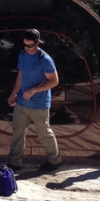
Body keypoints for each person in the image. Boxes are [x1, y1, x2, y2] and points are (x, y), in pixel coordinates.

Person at [6, 29, 62, 172]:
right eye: (25, 45)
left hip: (39, 105)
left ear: (37, 43)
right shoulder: (23, 55)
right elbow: (21, 75)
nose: (27, 48)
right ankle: (14, 163)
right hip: (22, 103)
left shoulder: (45, 59)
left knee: (44, 133)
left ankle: (54, 161)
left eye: (30, 45)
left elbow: (54, 81)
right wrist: (14, 93)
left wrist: (34, 90)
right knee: (18, 131)